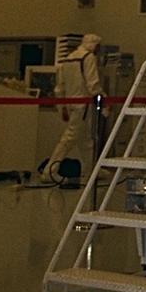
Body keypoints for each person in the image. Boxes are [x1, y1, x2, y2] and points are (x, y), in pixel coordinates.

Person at [44, 33, 103, 183]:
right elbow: (92, 84)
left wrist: (62, 105)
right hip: (83, 105)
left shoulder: (68, 59)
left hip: (71, 103)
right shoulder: (88, 58)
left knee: (85, 141)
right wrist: (103, 98)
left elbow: (60, 87)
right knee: (69, 139)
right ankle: (50, 171)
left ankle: (91, 170)